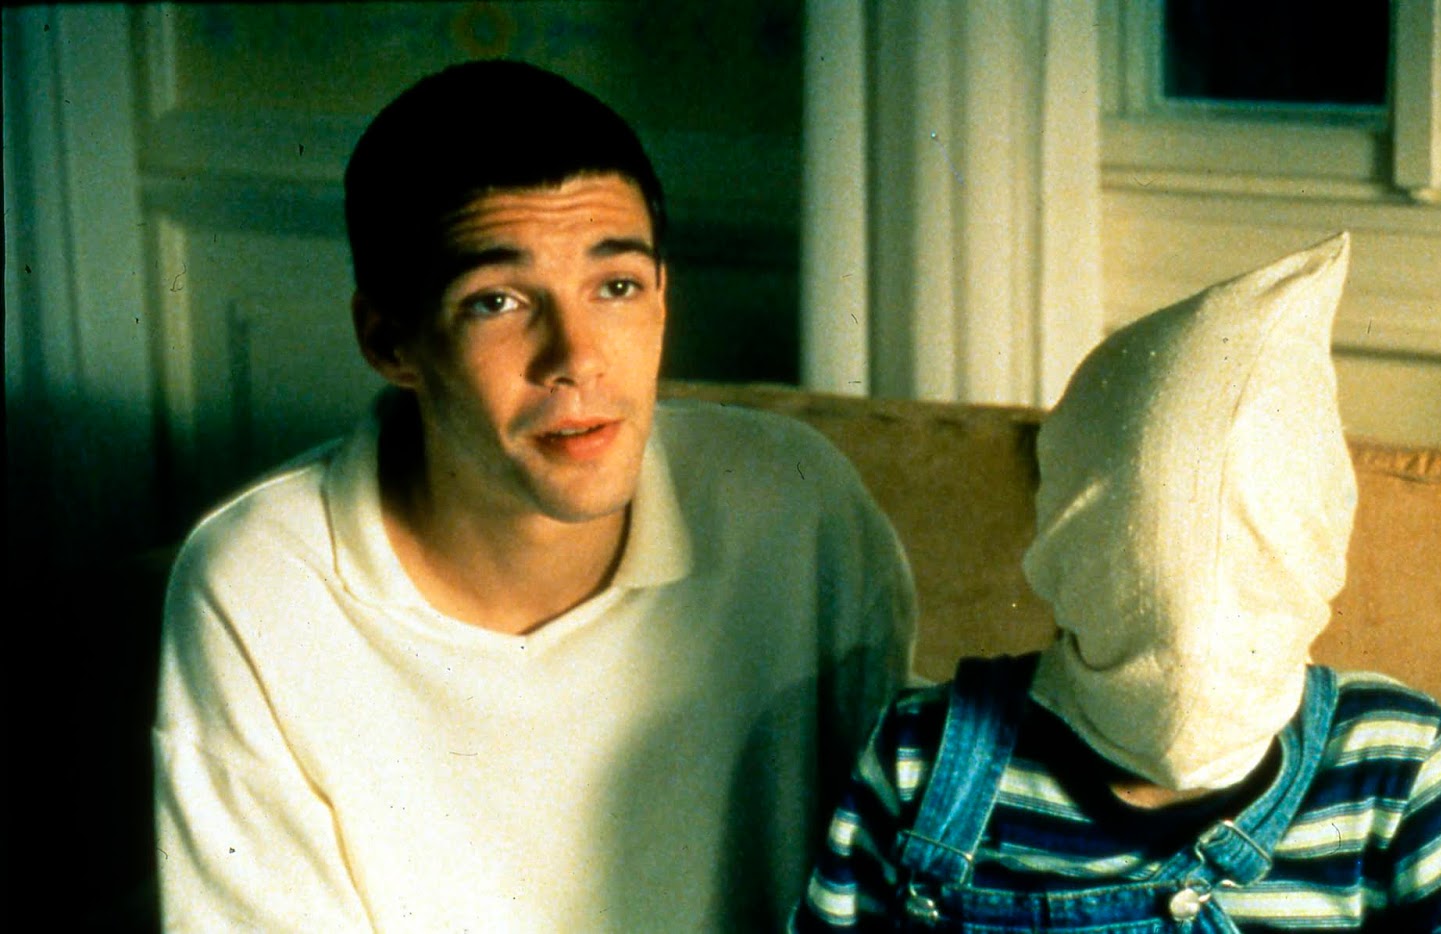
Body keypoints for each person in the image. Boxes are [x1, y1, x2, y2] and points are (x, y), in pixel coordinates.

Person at [153, 59, 914, 931]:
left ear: (662, 298)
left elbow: (904, 876)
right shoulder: (262, 582)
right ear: (390, 341)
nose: (577, 358)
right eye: (498, 301)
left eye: (616, 286)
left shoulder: (796, 507)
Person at [791, 234, 1441, 932]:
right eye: (1136, 592)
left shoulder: (1392, 763)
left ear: (1317, 565)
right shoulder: (922, 758)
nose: (1194, 647)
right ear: (1064, 557)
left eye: (1254, 594)